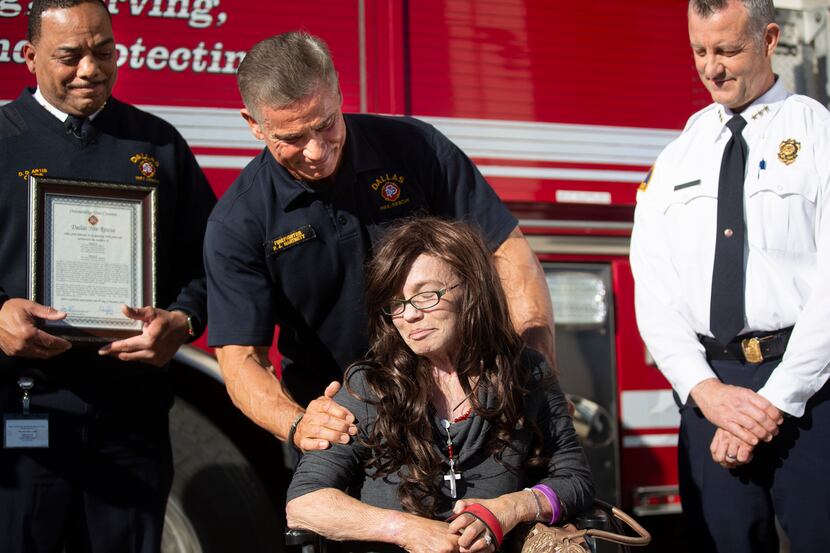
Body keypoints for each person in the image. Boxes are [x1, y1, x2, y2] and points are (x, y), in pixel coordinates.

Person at [204, 31, 557, 454]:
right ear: (254, 125)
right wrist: (298, 423)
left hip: (463, 410)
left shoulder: (416, 148)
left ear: (338, 89)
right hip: (344, 429)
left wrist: (535, 369)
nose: (317, 151)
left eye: (326, 124)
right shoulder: (238, 221)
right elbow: (241, 359)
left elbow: (507, 252)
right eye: (293, 138)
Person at [0, 1, 216, 551]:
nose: (90, 70)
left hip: (131, 420)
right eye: (69, 56)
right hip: (23, 412)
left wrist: (183, 320)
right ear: (29, 56)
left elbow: (210, 262)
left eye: (104, 52)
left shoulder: (157, 144)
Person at [630, 0, 830, 551]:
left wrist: (776, 400)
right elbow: (653, 288)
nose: (711, 67)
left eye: (728, 50)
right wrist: (706, 392)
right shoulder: (677, 156)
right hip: (710, 390)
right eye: (699, 51)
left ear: (769, 39)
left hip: (809, 390)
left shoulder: (818, 136)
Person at [285, 217, 593, 553]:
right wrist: (405, 529)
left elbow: (575, 478)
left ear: (471, 288)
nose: (409, 315)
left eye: (426, 295)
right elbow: (304, 503)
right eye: (397, 303)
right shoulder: (370, 386)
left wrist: (510, 508)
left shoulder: (524, 373)